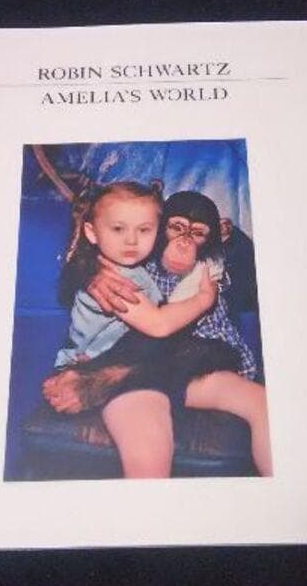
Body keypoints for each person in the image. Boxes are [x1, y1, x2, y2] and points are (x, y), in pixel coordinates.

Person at [44, 189, 273, 477]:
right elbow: (93, 245)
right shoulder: (130, 258)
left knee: (263, 404)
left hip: (189, 370)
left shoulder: (214, 268)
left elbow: (256, 272)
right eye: (176, 228)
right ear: (160, 228)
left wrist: (227, 243)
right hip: (135, 369)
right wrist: (91, 270)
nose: (183, 244)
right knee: (149, 449)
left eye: (197, 234)